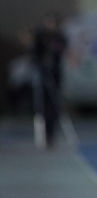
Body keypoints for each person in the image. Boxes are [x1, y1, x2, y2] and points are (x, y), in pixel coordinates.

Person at [31, 12, 68, 149]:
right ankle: (42, 135)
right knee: (42, 106)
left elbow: (64, 47)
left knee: (55, 105)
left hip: (55, 74)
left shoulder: (59, 36)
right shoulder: (40, 36)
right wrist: (41, 64)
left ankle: (52, 134)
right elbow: (34, 54)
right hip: (42, 75)